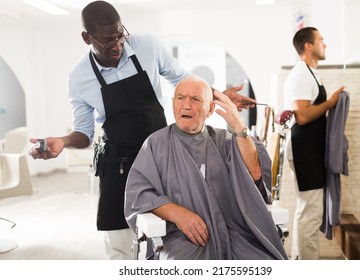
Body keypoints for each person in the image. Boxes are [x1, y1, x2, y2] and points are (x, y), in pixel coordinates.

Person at [28, 1, 256, 260]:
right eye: (106, 40)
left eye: (119, 35)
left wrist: (215, 97)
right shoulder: (78, 77)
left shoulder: (146, 46)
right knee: (120, 244)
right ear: (86, 38)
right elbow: (84, 132)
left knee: (169, 233)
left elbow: (181, 78)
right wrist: (62, 141)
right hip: (118, 165)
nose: (117, 45)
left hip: (162, 157)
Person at [124, 75, 287, 260]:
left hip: (236, 235)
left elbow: (256, 174)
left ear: (210, 109)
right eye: (180, 98)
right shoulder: (156, 144)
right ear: (172, 103)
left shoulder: (225, 140)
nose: (186, 105)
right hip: (181, 238)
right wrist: (177, 213)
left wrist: (239, 127)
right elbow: (138, 195)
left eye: (195, 99)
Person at [283, 27, 345, 260]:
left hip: (309, 150)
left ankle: (300, 263)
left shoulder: (309, 72)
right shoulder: (301, 73)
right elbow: (302, 115)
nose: (325, 45)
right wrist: (330, 103)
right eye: (321, 40)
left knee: (307, 210)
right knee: (310, 213)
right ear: (308, 46)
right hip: (304, 151)